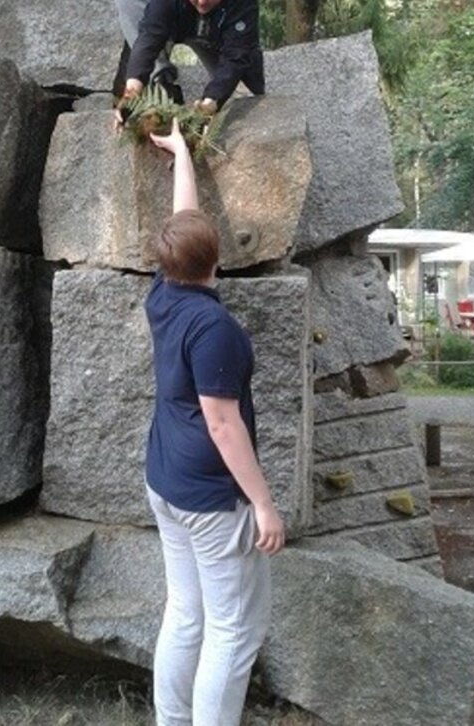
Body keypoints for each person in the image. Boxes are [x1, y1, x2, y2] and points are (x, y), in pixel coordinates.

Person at [144, 117, 284, 726]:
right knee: (233, 629)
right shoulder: (214, 328)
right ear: (216, 259)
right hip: (210, 498)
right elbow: (223, 425)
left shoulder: (163, 293)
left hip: (165, 482)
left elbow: (185, 221)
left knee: (186, 613)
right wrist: (264, 504)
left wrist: (181, 153)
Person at [113, 0, 265, 115]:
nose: (202, 0)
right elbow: (150, 34)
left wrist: (211, 101)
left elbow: (237, 54)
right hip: (177, 24)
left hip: (218, 40)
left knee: (243, 98)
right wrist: (131, 93)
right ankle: (161, 82)